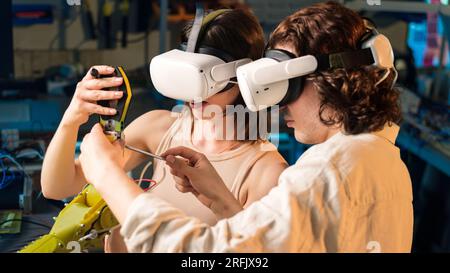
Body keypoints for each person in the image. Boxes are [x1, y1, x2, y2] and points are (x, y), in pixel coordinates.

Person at [77, 1, 413, 252]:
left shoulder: (325, 173)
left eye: (288, 86)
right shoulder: (387, 165)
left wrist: (108, 176)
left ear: (328, 81)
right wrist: (223, 202)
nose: (279, 104)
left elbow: (206, 255)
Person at [40, 9, 287, 252]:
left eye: (212, 81)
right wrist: (71, 119)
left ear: (248, 77)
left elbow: (250, 256)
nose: (197, 94)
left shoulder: (266, 171)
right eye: (189, 78)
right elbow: (58, 187)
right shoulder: (158, 128)